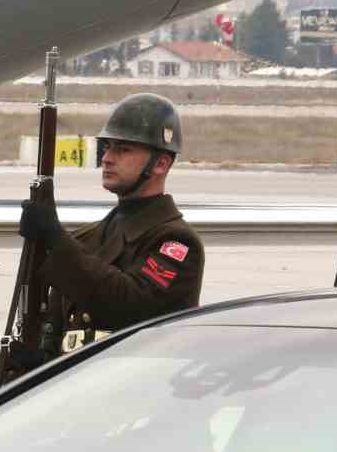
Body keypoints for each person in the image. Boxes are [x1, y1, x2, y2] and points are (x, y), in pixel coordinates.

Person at [17, 93, 204, 357]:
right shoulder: (87, 238)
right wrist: (41, 360)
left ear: (161, 164)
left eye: (123, 149)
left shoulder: (176, 242)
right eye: (107, 147)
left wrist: (56, 239)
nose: (107, 157)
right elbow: (55, 327)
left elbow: (126, 305)